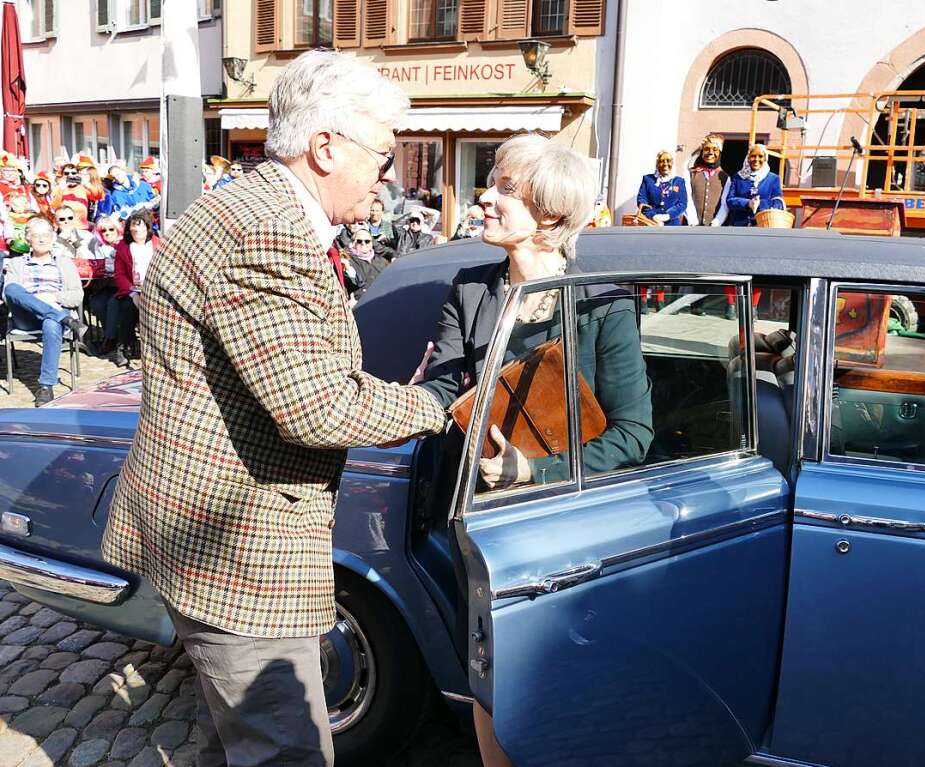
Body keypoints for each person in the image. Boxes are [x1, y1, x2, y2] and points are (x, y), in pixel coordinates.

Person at [100, 49, 446, 767]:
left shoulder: (254, 206)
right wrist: (436, 405)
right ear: (327, 147)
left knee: (246, 736)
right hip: (237, 555)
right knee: (286, 751)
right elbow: (317, 408)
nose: (388, 177)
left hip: (211, 534)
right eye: (384, 156)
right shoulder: (268, 229)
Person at [415, 133, 653, 764]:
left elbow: (634, 433)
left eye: (505, 188)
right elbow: (442, 385)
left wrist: (536, 469)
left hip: (567, 524)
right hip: (482, 522)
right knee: (489, 681)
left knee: (562, 680)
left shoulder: (601, 304)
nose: (485, 197)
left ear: (550, 214)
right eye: (492, 182)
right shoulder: (471, 287)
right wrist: (403, 408)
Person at [2, 216, 87, 406]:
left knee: (51, 323)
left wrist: (56, 297)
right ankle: (64, 319)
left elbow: (77, 295)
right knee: (11, 288)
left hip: (54, 310)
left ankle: (46, 387)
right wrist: (36, 301)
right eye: (36, 235)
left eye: (46, 235)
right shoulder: (17, 264)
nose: (41, 239)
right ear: (28, 239)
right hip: (25, 316)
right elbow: (10, 295)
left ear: (52, 238)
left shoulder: (64, 263)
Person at [112, 211, 159, 365]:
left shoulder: (157, 244)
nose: (137, 230)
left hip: (154, 289)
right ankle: (122, 346)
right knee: (128, 309)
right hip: (132, 289)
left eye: (140, 226)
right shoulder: (123, 247)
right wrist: (132, 293)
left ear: (147, 228)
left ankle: (156, 350)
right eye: (134, 226)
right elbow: (119, 275)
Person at [88, 215, 125, 364]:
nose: (108, 233)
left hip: (121, 286)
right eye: (104, 231)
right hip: (104, 284)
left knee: (113, 303)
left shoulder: (124, 245)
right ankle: (111, 333)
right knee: (96, 304)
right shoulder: (97, 247)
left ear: (117, 230)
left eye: (111, 229)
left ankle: (110, 338)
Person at [726, 143, 784, 227]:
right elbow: (730, 200)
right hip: (739, 225)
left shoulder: (773, 178)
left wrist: (760, 204)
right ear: (748, 158)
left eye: (760, 156)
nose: (756, 159)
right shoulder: (738, 177)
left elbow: (778, 202)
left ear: (765, 158)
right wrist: (748, 203)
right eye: (753, 156)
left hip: (763, 225)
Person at [636, 150, 694, 226]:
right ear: (657, 164)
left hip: (673, 225)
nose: (665, 164)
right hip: (651, 223)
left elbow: (682, 203)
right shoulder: (647, 179)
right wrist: (653, 215)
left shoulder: (679, 181)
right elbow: (642, 200)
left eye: (668, 161)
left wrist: (667, 216)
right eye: (662, 161)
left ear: (672, 163)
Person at [686, 133, 731, 226]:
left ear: (720, 152)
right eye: (706, 149)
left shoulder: (725, 177)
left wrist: (717, 222)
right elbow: (686, 198)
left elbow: (724, 204)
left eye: (715, 150)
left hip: (715, 228)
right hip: (691, 226)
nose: (710, 152)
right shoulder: (691, 173)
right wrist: (692, 219)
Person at [346, 224, 389, 298]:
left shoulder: (382, 261)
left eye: (367, 241)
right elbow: (354, 285)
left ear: (372, 243)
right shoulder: (348, 261)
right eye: (359, 241)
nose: (363, 243)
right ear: (353, 243)